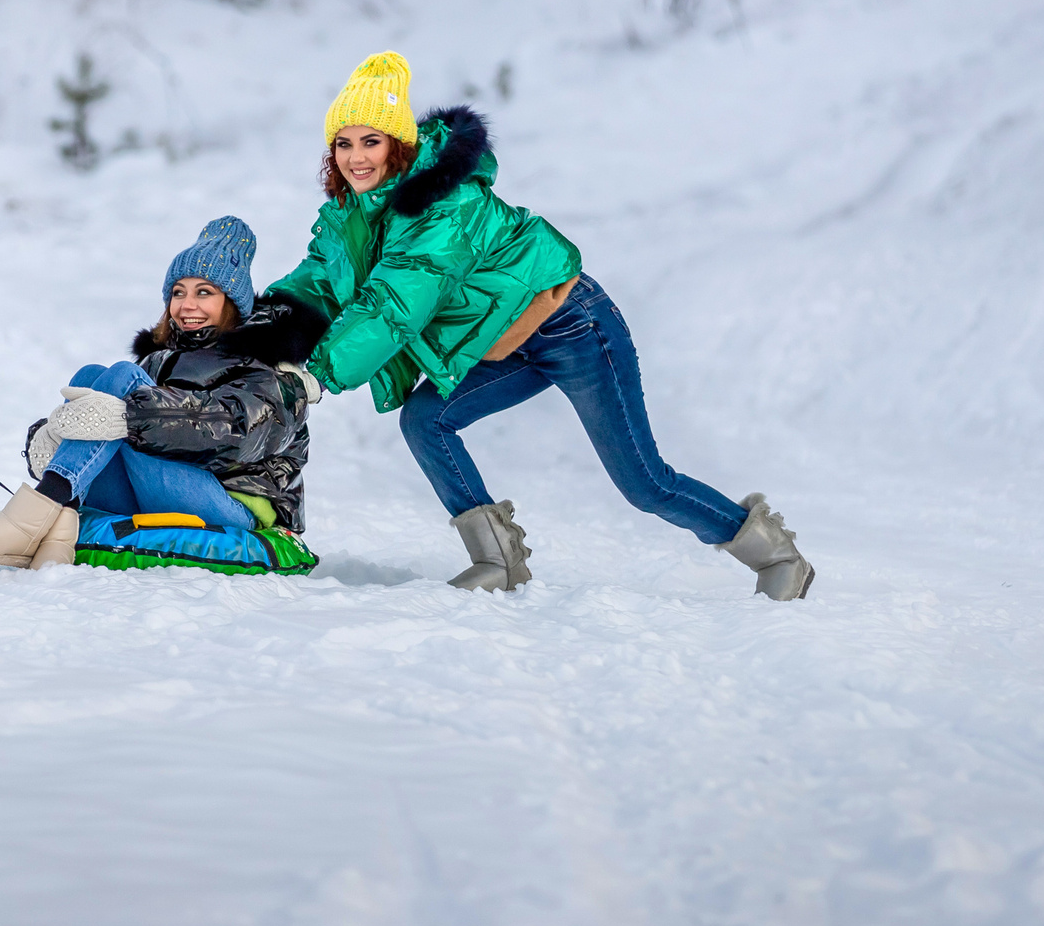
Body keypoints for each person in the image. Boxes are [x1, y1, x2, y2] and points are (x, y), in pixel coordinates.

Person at [244, 51, 813, 598]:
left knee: (644, 482)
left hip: (572, 326)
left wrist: (317, 375)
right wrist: (264, 326)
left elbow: (395, 303)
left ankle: (777, 556)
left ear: (400, 146)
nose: (355, 156)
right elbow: (319, 278)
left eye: (371, 140)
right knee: (426, 419)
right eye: (343, 143)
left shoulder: (443, 206)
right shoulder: (353, 215)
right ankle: (499, 561)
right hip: (500, 344)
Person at [0, 216, 315, 576]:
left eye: (205, 292)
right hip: (152, 491)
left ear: (232, 301)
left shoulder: (268, 365)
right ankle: (58, 532)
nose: (187, 305)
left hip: (229, 504)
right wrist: (48, 434)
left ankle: (32, 514)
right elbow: (108, 427)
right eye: (178, 292)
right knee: (92, 377)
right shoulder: (158, 359)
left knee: (124, 379)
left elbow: (237, 431)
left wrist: (135, 417)